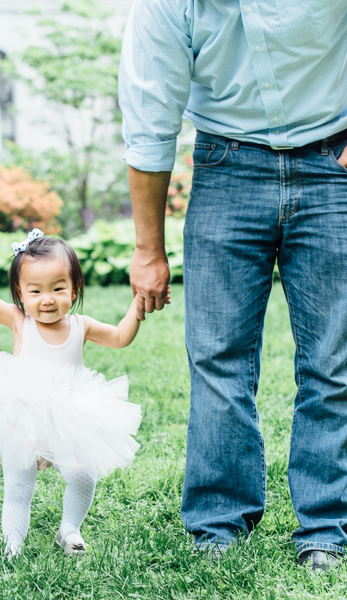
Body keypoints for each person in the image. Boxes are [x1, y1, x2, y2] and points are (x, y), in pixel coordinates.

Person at [119, 0, 347, 571]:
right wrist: (149, 249)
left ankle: (326, 528)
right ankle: (219, 524)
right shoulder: (169, 6)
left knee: (334, 360)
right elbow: (150, 124)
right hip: (227, 166)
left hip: (331, 161)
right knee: (217, 355)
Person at [0, 229, 158, 557]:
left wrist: (138, 306)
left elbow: (121, 336)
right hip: (21, 413)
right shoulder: (20, 321)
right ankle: (13, 543)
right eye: (35, 290)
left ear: (74, 288)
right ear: (20, 294)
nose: (47, 298)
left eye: (58, 288)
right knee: (19, 484)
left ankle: (69, 529)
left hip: (69, 413)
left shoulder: (82, 325)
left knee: (82, 473)